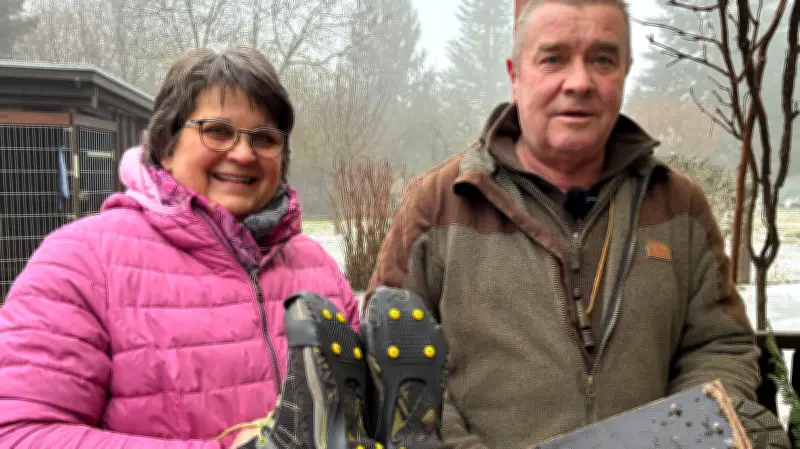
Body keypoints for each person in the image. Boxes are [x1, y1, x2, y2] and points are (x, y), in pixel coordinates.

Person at [367, 1, 790, 449]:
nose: (580, 82)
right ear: (515, 74)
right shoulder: (438, 203)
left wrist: (674, 436)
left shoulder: (678, 206)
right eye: (553, 59)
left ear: (625, 71)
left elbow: (720, 346)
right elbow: (393, 358)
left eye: (602, 60)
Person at [0, 47, 367, 449]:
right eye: (217, 130)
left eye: (264, 138)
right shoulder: (80, 263)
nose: (243, 154)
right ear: (167, 144)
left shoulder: (316, 268)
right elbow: (20, 433)